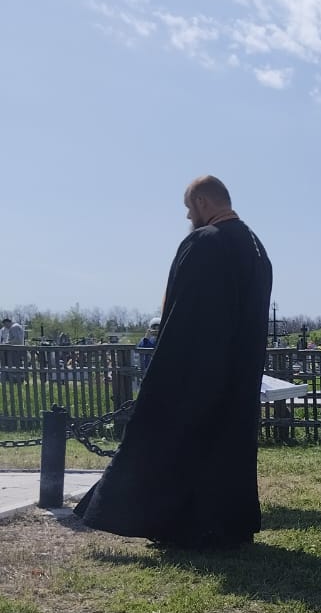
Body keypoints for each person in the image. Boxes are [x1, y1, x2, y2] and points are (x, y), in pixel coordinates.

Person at [75, 175, 273, 548]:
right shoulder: (256, 248)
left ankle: (179, 524)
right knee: (227, 446)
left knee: (171, 437)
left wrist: (166, 375)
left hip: (199, 370)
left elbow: (184, 317)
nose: (187, 218)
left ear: (201, 202)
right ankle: (225, 526)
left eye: (188, 209)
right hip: (240, 374)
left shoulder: (206, 241)